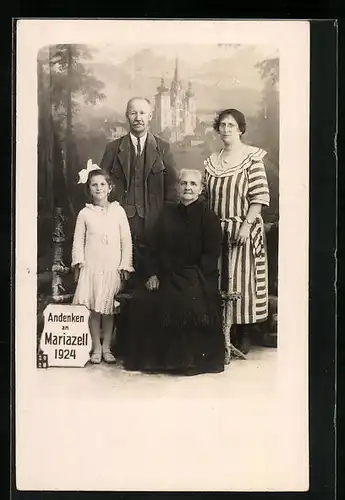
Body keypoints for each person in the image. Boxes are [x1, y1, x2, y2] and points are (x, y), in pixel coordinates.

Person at [122, 169, 225, 376]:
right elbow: (151, 247)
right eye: (184, 183)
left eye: (193, 184)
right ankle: (157, 361)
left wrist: (192, 276)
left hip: (196, 275)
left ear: (201, 189)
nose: (188, 188)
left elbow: (211, 254)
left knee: (186, 300)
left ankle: (187, 362)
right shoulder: (167, 215)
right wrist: (152, 273)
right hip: (164, 273)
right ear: (178, 187)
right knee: (147, 299)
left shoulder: (208, 218)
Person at [204, 108, 270, 354]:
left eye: (231, 125)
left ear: (241, 129)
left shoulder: (252, 158)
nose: (226, 129)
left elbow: (259, 198)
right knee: (220, 279)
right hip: (217, 230)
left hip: (243, 229)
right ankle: (224, 332)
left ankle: (244, 333)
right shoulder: (212, 161)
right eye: (222, 125)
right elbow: (206, 196)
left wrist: (245, 226)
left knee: (243, 278)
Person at [100, 97, 178, 283]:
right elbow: (102, 184)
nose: (138, 117)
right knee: (120, 274)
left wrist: (167, 217)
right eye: (133, 113)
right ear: (127, 115)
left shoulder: (163, 148)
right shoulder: (113, 148)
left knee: (151, 274)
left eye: (142, 113)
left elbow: (172, 186)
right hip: (120, 218)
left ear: (150, 116)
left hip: (153, 219)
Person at [71, 167, 133, 364]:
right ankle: (95, 348)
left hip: (111, 267)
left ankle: (107, 347)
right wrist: (79, 263)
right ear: (89, 189)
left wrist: (125, 265)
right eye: (94, 185)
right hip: (92, 267)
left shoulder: (118, 211)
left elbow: (126, 240)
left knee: (108, 308)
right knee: (94, 309)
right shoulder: (84, 214)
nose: (98, 188)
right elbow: (78, 241)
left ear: (110, 188)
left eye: (102, 184)